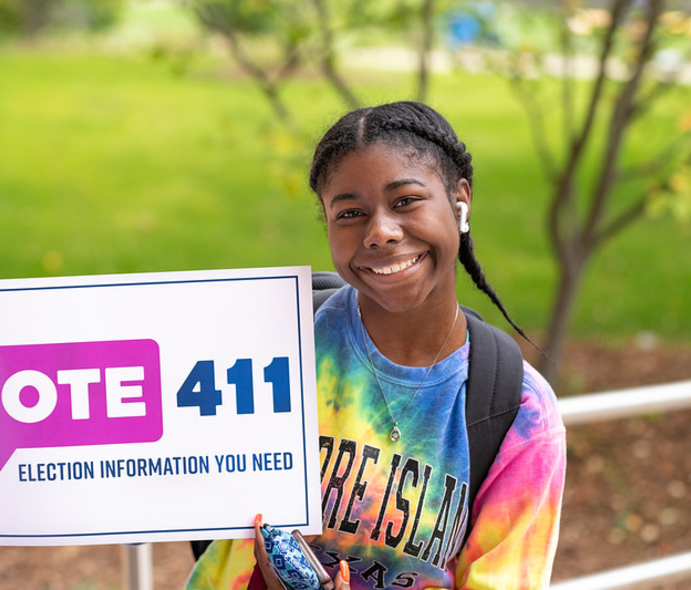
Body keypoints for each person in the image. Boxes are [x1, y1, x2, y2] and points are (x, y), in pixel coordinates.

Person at [184, 101, 566, 589]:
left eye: (406, 200)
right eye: (350, 212)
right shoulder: (273, 349)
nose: (381, 232)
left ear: (459, 201)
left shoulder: (518, 411)